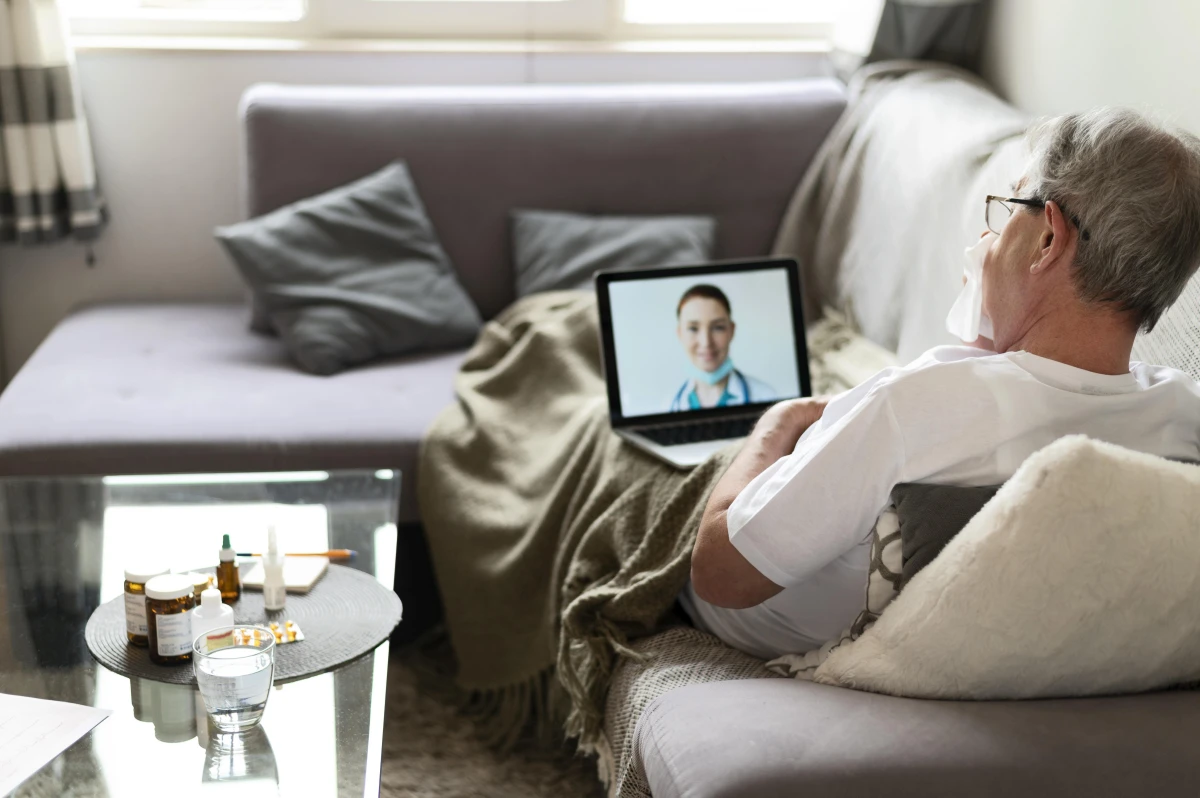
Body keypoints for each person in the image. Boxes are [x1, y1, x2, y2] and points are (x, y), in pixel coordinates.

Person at [682, 107, 1200, 661]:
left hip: (741, 604)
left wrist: (779, 421)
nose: (987, 237)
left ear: (1049, 237)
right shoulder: (1183, 416)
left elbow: (719, 575)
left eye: (1008, 210)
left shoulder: (913, 407)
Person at [669, 284, 778, 411]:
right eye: (693, 328)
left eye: (718, 328)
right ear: (680, 334)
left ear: (731, 331)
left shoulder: (767, 397)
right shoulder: (669, 404)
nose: (706, 342)